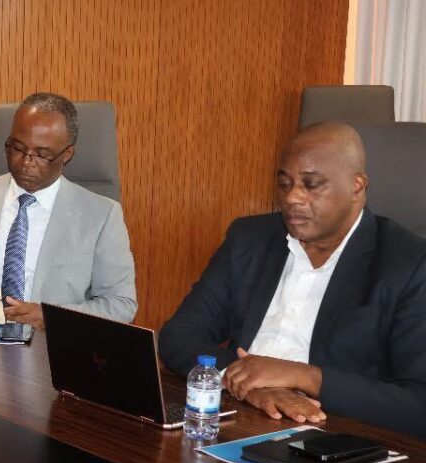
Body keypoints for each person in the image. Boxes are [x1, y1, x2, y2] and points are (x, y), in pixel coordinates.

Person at [159, 122, 426, 439]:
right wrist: (246, 381)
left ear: (357, 186)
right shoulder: (250, 238)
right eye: (284, 184)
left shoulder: (408, 263)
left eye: (311, 185)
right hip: (236, 416)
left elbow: (417, 405)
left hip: (333, 436)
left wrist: (306, 377)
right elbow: (178, 335)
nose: (292, 198)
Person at [0, 92, 137, 329]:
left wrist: (51, 318)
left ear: (67, 154)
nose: (26, 162)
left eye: (42, 155)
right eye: (17, 148)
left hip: (49, 346)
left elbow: (121, 305)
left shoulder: (102, 216)